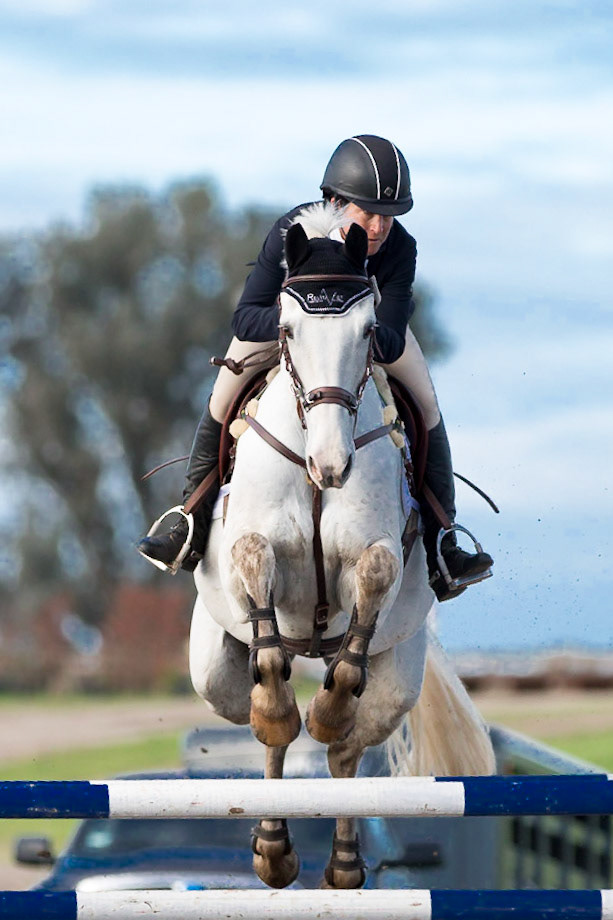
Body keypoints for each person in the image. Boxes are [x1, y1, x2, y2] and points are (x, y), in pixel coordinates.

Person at [137, 134, 493, 601]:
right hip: (287, 334)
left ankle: (443, 541)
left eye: (388, 214)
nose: (380, 225)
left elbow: (389, 336)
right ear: (336, 201)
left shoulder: (400, 248)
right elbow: (245, 316)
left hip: (365, 339)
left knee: (426, 405)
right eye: (369, 212)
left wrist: (350, 326)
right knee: (222, 397)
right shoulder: (291, 231)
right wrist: (295, 319)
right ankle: (189, 520)